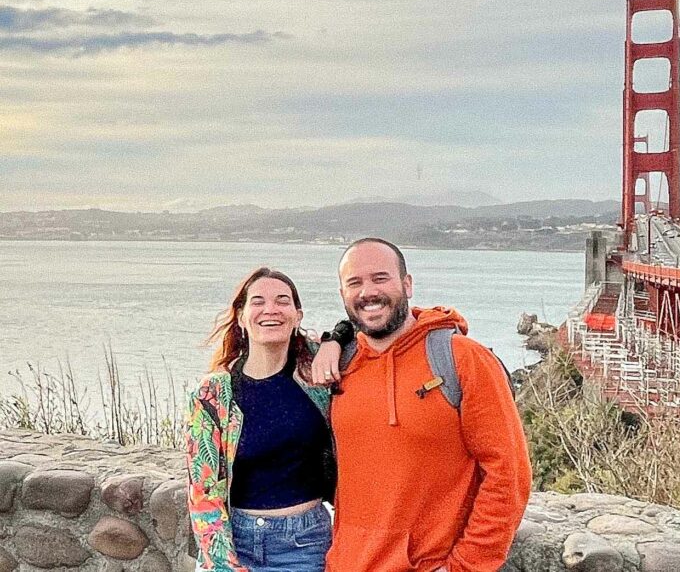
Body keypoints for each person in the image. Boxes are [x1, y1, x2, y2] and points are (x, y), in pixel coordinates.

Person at [312, 238, 531, 572]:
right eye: (354, 283)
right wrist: (334, 338)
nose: (368, 292)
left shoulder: (462, 359)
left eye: (380, 278)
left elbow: (509, 475)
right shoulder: (339, 366)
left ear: (407, 284)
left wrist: (465, 565)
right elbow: (270, 335)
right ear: (343, 294)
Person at [186, 267, 352, 571]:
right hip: (234, 543)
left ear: (297, 315)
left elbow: (374, 321)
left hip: (305, 546)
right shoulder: (213, 393)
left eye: (282, 301)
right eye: (258, 301)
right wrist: (223, 565)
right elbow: (203, 492)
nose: (270, 309)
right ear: (241, 317)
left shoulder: (316, 373)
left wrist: (336, 339)